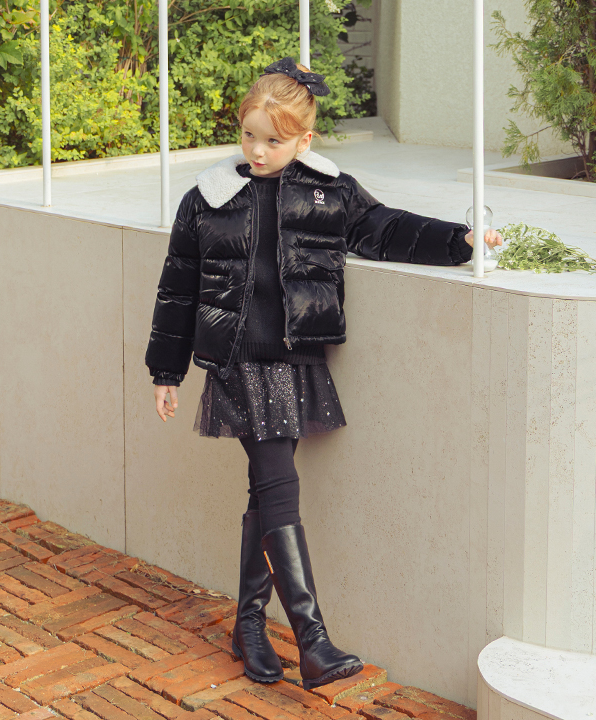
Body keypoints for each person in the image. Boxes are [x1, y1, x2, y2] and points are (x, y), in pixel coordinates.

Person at [145, 57, 502, 691]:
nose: (257, 150)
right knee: (279, 487)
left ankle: (249, 627)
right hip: (237, 360)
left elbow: (386, 228)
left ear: (305, 140)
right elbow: (177, 287)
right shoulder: (207, 198)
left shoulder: (328, 192)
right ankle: (312, 642)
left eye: (273, 140)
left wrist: (461, 241)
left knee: (266, 494)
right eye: (249, 135)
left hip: (295, 359)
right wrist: (165, 371)